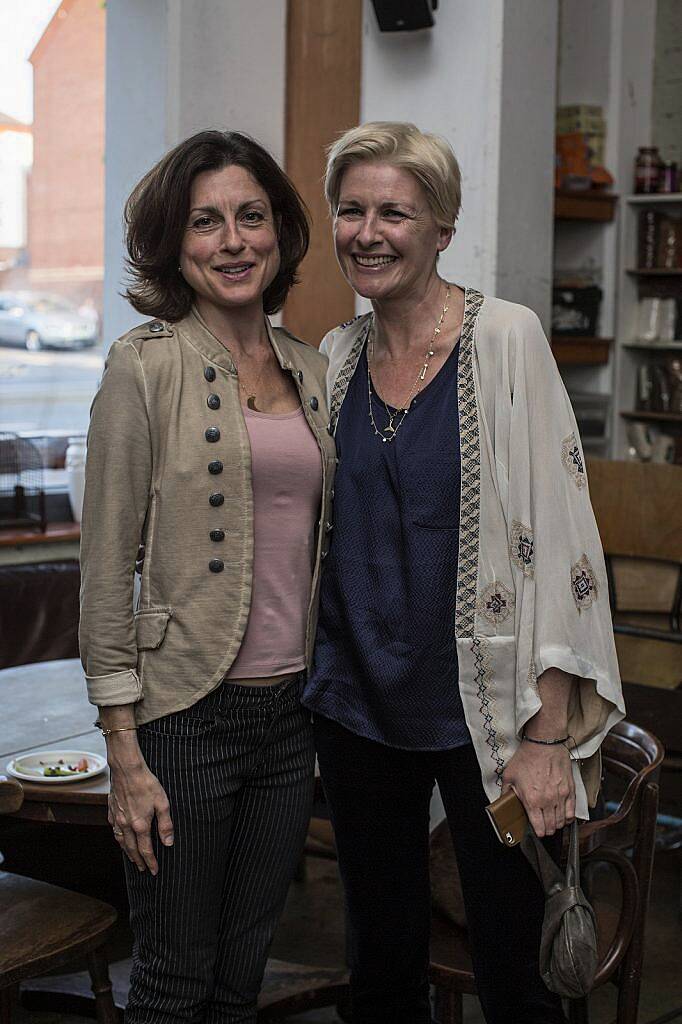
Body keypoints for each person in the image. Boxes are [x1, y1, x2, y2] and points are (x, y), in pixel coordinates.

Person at [302, 122, 625, 1024]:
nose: (368, 231)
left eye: (394, 212)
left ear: (442, 227)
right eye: (351, 209)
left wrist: (548, 736)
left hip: (488, 720)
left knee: (515, 973)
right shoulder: (334, 356)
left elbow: (564, 548)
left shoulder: (507, 341)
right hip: (357, 706)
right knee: (381, 969)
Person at [79, 129, 336, 1023]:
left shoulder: (313, 369)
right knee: (172, 981)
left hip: (290, 716)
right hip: (182, 716)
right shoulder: (142, 370)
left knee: (240, 979)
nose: (233, 241)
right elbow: (105, 572)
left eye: (250, 217)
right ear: (174, 246)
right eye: (206, 223)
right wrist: (123, 751)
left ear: (279, 232)